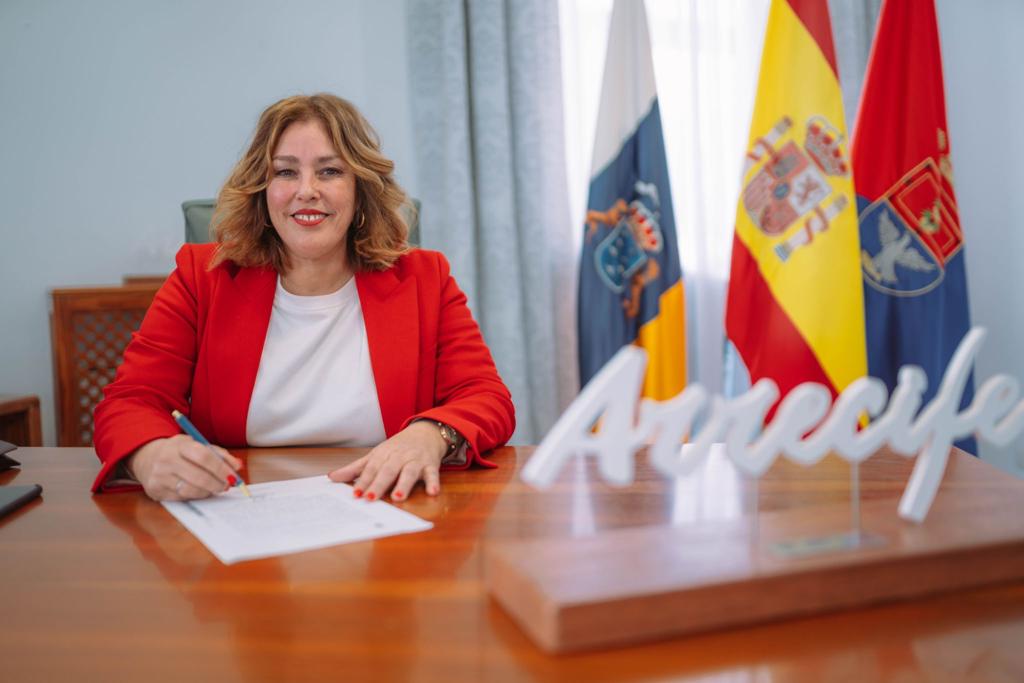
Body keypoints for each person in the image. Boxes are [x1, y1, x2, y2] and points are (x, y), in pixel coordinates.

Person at [91, 93, 515, 502]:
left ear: (360, 189)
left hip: (384, 505)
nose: (307, 190)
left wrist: (431, 434)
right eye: (285, 172)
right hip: (241, 509)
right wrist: (149, 454)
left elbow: (487, 397)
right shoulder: (202, 277)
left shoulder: (424, 278)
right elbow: (130, 401)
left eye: (329, 171)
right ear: (262, 189)